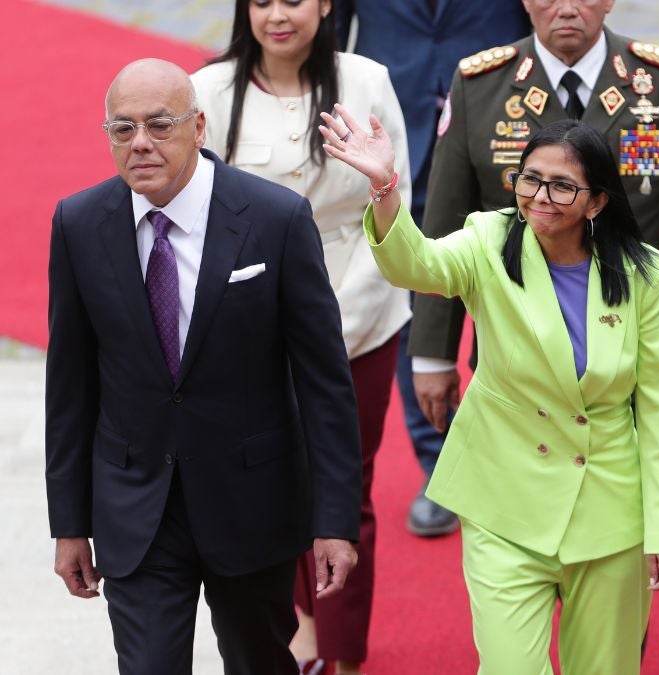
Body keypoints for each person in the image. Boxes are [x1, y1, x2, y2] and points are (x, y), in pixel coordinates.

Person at [323, 110, 659, 672]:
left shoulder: (646, 275)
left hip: (611, 512)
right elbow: (415, 264)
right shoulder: (488, 240)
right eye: (530, 178)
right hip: (503, 501)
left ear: (596, 202)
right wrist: (384, 186)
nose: (540, 195)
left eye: (562, 185)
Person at [46, 58, 362, 674]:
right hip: (136, 508)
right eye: (122, 128)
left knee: (259, 663)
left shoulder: (275, 219)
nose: (140, 142)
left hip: (251, 505)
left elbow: (324, 385)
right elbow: (70, 386)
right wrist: (69, 524)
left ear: (199, 127)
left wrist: (334, 521)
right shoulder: (80, 225)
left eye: (160, 124)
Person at [189, 1, 411, 673]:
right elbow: (197, 218)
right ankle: (295, 639)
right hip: (246, 327)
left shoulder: (366, 81)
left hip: (362, 313)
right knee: (267, 485)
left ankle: (344, 656)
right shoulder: (208, 91)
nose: (278, 15)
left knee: (347, 485)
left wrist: (326, 332)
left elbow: (390, 200)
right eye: (261, 2)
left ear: (325, 6)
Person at [408, 0, 659, 442]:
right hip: (516, 341)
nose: (566, 8)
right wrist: (433, 354)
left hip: (629, 339)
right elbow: (445, 224)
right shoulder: (481, 86)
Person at [333, 0, 531, 538]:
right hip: (393, 125)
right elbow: (324, 24)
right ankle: (439, 461)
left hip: (509, 126)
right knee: (412, 289)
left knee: (522, 291)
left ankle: (526, 456)